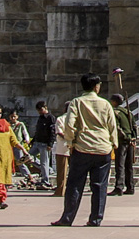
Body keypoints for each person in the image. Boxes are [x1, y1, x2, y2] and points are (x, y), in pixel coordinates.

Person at [50, 73, 118, 228]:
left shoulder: (77, 103)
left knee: (74, 184)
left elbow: (69, 124)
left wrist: (70, 142)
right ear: (96, 86)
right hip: (102, 148)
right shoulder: (105, 104)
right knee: (100, 186)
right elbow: (112, 126)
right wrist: (113, 144)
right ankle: (95, 219)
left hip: (82, 148)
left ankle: (67, 218)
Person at [108, 94, 137, 196]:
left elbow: (117, 128)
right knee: (128, 165)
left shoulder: (116, 113)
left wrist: (124, 137)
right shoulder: (127, 112)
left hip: (122, 141)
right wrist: (133, 138)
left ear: (114, 102)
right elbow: (134, 126)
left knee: (120, 165)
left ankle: (119, 187)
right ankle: (130, 186)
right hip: (130, 140)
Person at [30, 101, 57, 190]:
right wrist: (33, 141)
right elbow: (38, 131)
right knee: (28, 157)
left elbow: (53, 132)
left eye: (41, 109)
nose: (40, 112)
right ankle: (48, 170)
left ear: (45, 108)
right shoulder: (40, 118)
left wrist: (50, 143)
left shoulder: (50, 118)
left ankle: (45, 181)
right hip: (37, 142)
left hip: (45, 144)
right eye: (38, 110)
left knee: (44, 162)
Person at [52, 105, 71, 196]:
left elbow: (59, 132)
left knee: (61, 171)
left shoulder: (61, 118)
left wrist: (67, 138)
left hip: (62, 147)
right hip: (74, 146)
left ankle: (60, 190)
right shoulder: (77, 119)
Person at [8, 108, 32, 179]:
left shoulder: (20, 124)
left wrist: (27, 140)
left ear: (17, 117)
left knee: (20, 161)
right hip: (10, 145)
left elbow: (25, 133)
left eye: (14, 116)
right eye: (11, 116)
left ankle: (27, 175)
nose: (13, 118)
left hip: (18, 145)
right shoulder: (8, 125)